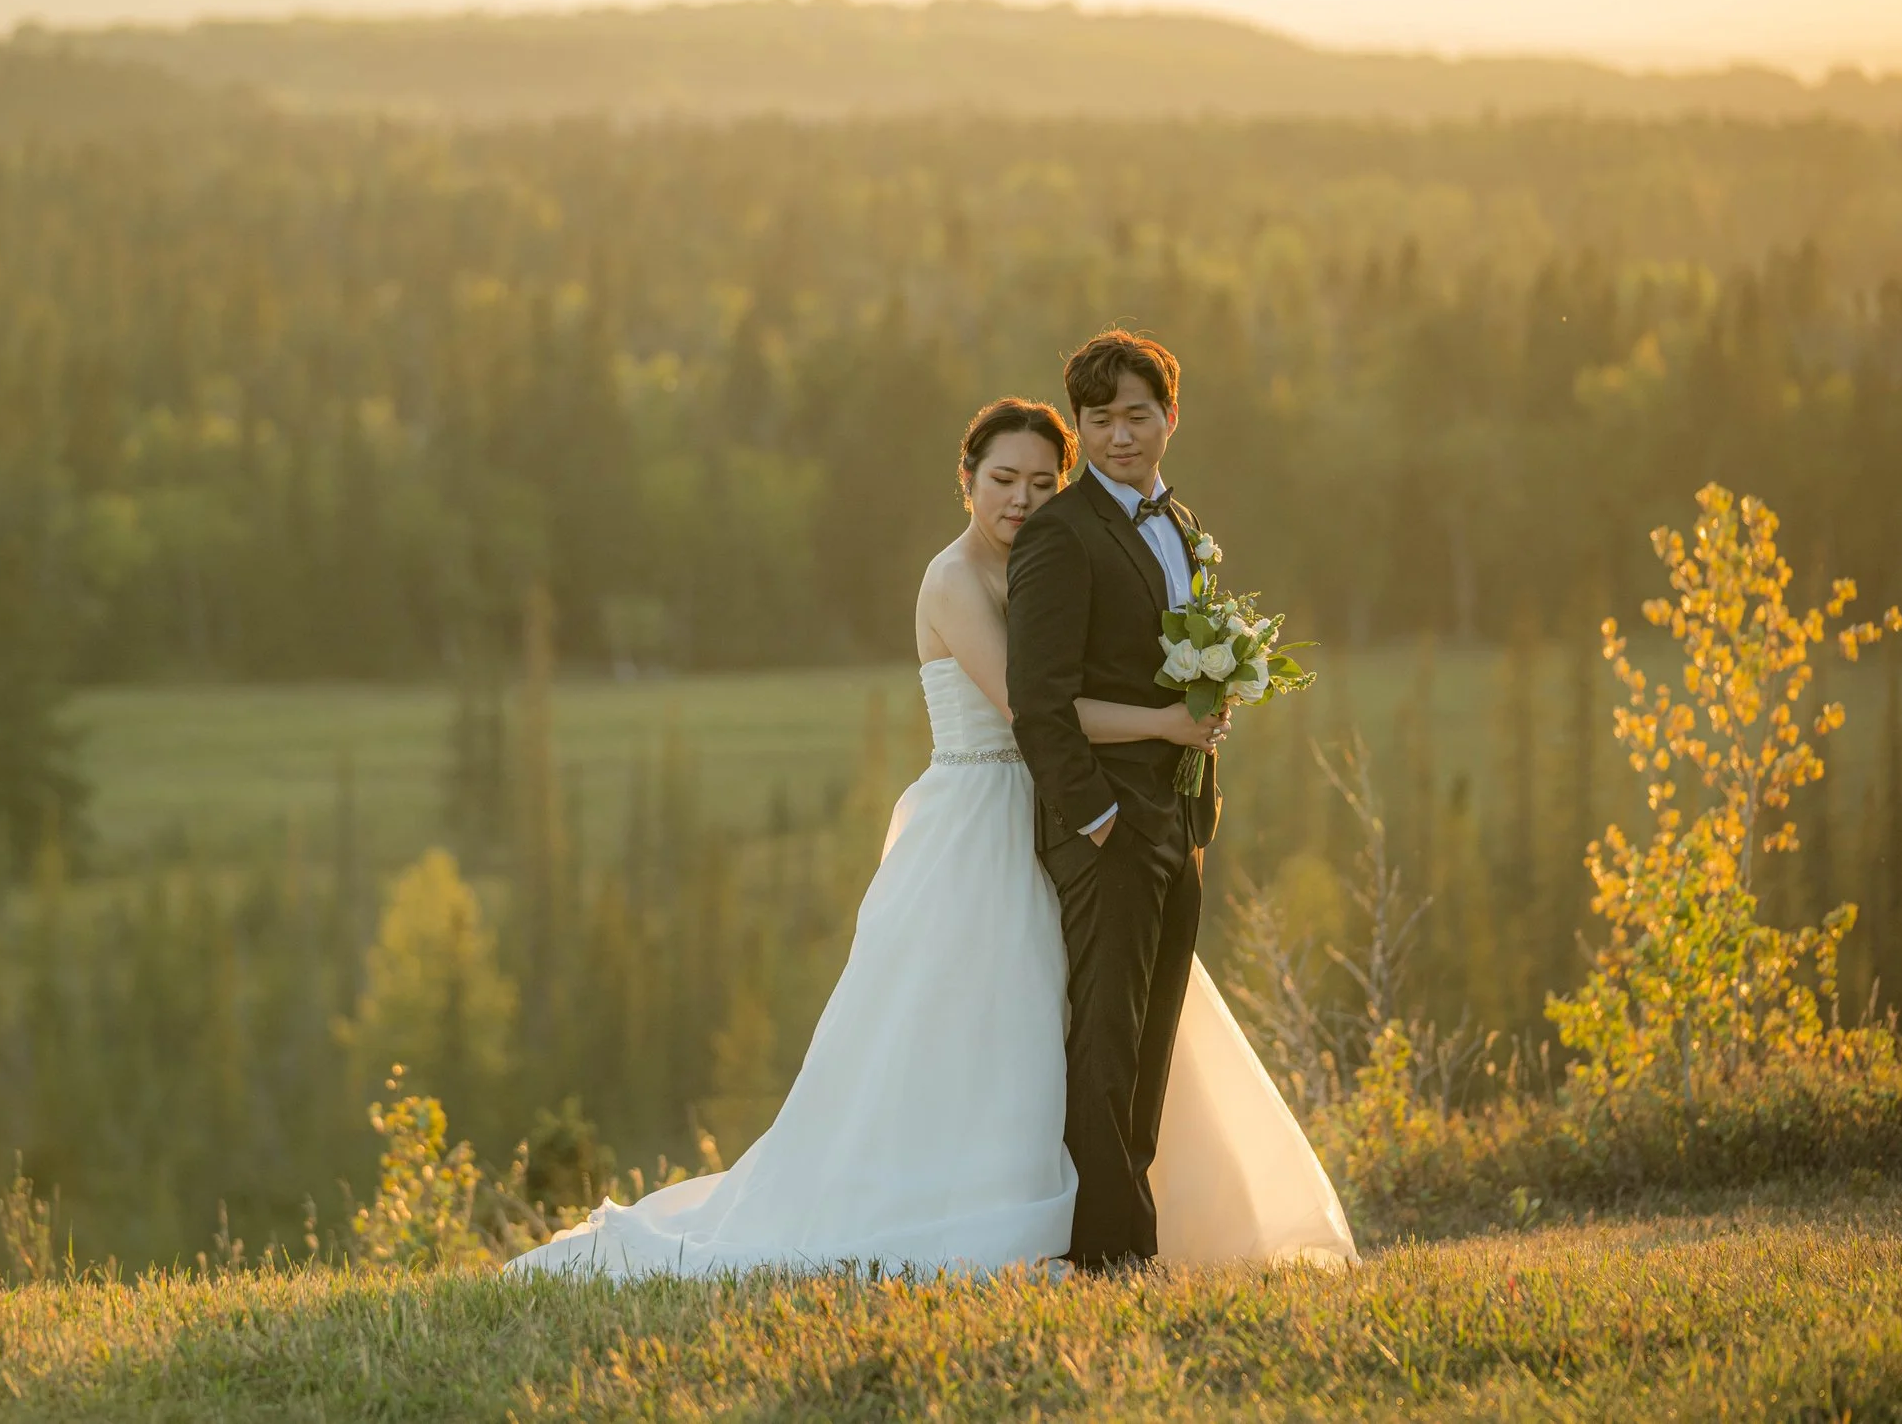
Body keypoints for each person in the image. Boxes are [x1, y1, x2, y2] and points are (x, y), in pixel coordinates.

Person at [505, 388, 1353, 1279]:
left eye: (1038, 481)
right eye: (1001, 480)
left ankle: (1110, 1209)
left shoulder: (1044, 565)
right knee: (979, 1021)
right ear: (967, 481)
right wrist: (1167, 721)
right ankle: (971, 1206)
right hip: (978, 819)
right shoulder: (953, 580)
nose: (1019, 500)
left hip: (1045, 810)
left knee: (1088, 1018)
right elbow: (1038, 708)